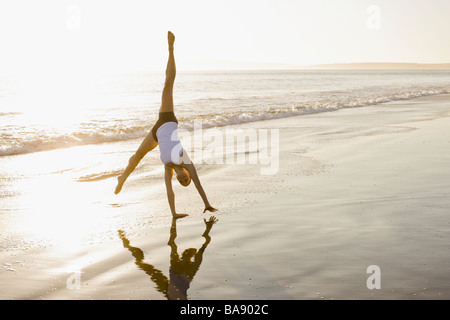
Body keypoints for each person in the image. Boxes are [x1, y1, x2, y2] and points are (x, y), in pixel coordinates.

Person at [115, 31, 217, 218]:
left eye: (182, 181)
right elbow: (198, 184)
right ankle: (171, 48)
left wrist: (174, 213)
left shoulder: (168, 168)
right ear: (187, 173)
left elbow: (169, 192)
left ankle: (122, 178)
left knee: (138, 155)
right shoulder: (184, 159)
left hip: (156, 132)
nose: (183, 178)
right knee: (168, 85)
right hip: (167, 120)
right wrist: (207, 203)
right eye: (186, 178)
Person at [118, 216, 218, 300]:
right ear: (191, 256)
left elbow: (173, 242)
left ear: (183, 254)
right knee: (143, 264)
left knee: (143, 264)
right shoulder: (192, 267)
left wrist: (173, 222)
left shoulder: (180, 263)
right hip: (172, 291)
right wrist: (208, 228)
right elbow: (203, 245)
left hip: (170, 289)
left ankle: (128, 246)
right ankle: (128, 247)